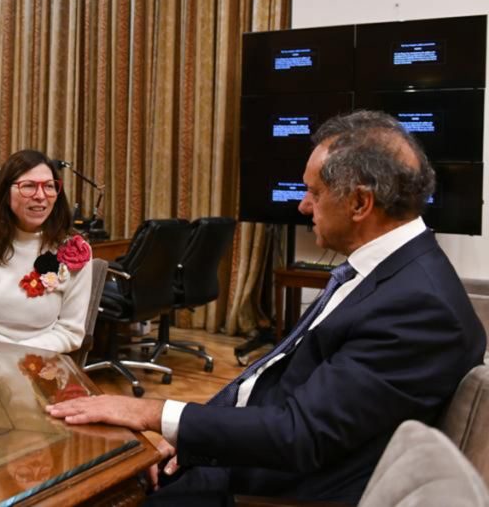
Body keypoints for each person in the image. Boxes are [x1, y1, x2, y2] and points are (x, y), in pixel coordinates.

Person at [46, 110, 487, 505]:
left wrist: (153, 414)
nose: (303, 205)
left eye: (314, 192)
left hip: (263, 490)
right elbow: (269, 384)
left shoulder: (419, 307)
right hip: (239, 457)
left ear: (359, 203)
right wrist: (184, 438)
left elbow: (301, 433)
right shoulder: (390, 274)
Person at [0, 149, 94, 353]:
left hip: (37, 365)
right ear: (6, 193)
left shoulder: (74, 251)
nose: (40, 196)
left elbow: (70, 332)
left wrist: (17, 358)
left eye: (49, 186)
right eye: (28, 186)